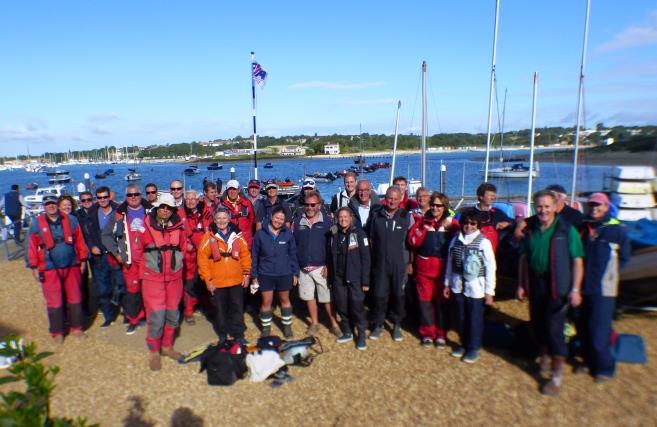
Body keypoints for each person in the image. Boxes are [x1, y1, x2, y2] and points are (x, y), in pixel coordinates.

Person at [517, 189, 584, 396]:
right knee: (537, 323)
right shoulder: (531, 229)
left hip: (557, 284)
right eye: (539, 206)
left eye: (547, 206)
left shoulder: (566, 230)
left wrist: (575, 289)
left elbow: (577, 261)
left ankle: (556, 376)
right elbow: (523, 259)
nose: (543, 210)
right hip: (536, 283)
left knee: (555, 329)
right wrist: (521, 284)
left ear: (555, 207)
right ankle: (544, 357)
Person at [579, 192, 631, 382]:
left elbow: (624, 257)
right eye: (592, 204)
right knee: (583, 326)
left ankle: (605, 368)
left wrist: (612, 277)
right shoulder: (584, 227)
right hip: (583, 285)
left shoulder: (617, 230)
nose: (594, 208)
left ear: (607, 207)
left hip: (604, 289)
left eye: (598, 205)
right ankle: (587, 361)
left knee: (599, 330)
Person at [27, 195, 89, 343]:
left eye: (53, 203)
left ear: (57, 205)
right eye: (47, 204)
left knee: (75, 298)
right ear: (44, 206)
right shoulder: (36, 224)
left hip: (72, 263)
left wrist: (83, 260)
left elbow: (80, 241)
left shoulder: (71, 220)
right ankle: (57, 332)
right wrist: (34, 266)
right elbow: (31, 246)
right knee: (54, 301)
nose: (51, 206)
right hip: (48, 267)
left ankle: (77, 328)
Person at [138, 193, 187, 371]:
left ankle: (167, 347)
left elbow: (182, 248)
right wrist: (142, 275)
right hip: (153, 279)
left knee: (173, 315)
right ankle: (154, 352)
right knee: (156, 317)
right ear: (157, 208)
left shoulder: (179, 228)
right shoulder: (145, 227)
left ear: (173, 210)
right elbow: (137, 253)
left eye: (169, 207)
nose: (165, 210)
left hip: (174, 278)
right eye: (162, 207)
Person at [443, 208, 496, 363]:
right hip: (457, 285)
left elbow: (490, 267)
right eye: (466, 223)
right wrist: (446, 284)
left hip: (476, 289)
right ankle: (462, 343)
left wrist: (489, 292)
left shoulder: (483, 242)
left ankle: (473, 347)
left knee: (474, 319)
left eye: (473, 223)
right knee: (460, 317)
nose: (469, 226)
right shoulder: (455, 240)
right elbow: (449, 264)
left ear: (477, 224)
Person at [408, 192, 458, 347]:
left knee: (442, 303)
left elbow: (464, 235)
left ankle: (441, 333)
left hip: (443, 270)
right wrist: (424, 227)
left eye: (439, 205)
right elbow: (413, 241)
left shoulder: (452, 224)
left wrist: (451, 226)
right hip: (424, 269)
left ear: (444, 207)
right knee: (425, 302)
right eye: (433, 205)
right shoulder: (422, 221)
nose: (435, 208)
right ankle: (427, 333)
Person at [197, 208, 251, 344]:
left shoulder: (237, 236)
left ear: (229, 219)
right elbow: (202, 260)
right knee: (220, 310)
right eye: (218, 218)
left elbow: (245, 255)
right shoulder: (208, 237)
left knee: (237, 309)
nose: (221, 221)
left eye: (224, 218)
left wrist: (246, 273)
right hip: (217, 282)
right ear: (214, 220)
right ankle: (223, 334)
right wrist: (207, 280)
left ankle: (238, 334)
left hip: (236, 280)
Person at [102, 184, 151, 334]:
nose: (134, 197)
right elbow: (106, 236)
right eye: (130, 195)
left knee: (149, 290)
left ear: (140, 194)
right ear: (126, 197)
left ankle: (149, 318)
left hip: (149, 259)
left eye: (136, 194)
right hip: (129, 260)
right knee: (133, 291)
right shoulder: (118, 215)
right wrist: (117, 254)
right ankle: (134, 320)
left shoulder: (151, 211)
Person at [292, 190, 340, 336]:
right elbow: (293, 245)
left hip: (321, 267)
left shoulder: (328, 222)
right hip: (303, 267)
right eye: (307, 205)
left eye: (313, 205)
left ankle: (334, 323)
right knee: (308, 296)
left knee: (327, 297)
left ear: (319, 205)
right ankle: (314, 322)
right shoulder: (297, 222)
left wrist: (328, 265)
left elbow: (334, 245)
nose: (310, 207)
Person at [368, 186, 413, 341]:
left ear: (400, 199)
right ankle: (379, 325)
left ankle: (397, 325)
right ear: (385, 198)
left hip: (399, 263)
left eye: (395, 198)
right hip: (380, 263)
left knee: (398, 295)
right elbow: (371, 239)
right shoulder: (376, 216)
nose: (392, 201)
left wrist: (410, 262)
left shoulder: (406, 216)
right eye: (389, 198)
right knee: (379, 295)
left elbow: (412, 243)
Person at [251, 207, 300, 338]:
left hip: (284, 273)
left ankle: (287, 326)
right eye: (277, 217)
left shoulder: (288, 234)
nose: (279, 221)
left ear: (285, 221)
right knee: (266, 302)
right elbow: (254, 256)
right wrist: (254, 275)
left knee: (285, 299)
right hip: (265, 273)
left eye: (282, 219)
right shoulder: (260, 234)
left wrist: (295, 273)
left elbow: (293, 254)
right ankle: (266, 328)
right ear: (271, 216)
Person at [328, 207, 371, 350]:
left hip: (355, 278)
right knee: (341, 305)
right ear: (336, 218)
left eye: (346, 216)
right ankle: (347, 331)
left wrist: (365, 281)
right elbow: (330, 257)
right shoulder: (334, 233)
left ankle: (361, 336)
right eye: (340, 217)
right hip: (338, 277)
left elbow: (366, 259)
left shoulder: (359, 233)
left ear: (351, 217)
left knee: (357, 307)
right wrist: (330, 279)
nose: (343, 219)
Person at [85, 186, 125, 327]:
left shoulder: (119, 211)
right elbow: (88, 235)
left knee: (121, 285)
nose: (102, 200)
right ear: (97, 198)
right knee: (103, 288)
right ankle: (109, 317)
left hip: (115, 254)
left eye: (105, 197)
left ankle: (120, 307)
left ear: (109, 197)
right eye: (99, 197)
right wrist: (92, 247)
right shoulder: (92, 213)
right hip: (99, 257)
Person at [514, 184, 586, 241]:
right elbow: (527, 221)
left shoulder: (574, 215)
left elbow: (584, 230)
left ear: (562, 198)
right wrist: (518, 229)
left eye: (552, 196)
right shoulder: (547, 214)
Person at [178, 189, 207, 324]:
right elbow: (177, 235)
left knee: (205, 281)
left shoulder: (204, 213)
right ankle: (188, 312)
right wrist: (186, 245)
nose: (190, 201)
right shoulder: (180, 214)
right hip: (189, 255)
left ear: (197, 200)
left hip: (203, 254)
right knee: (189, 284)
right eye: (187, 199)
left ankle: (206, 307)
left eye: (192, 199)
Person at [467, 182, 513, 253]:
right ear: (480, 197)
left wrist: (508, 223)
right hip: (474, 252)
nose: (493, 198)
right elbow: (452, 212)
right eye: (490, 195)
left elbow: (514, 222)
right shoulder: (470, 212)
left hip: (494, 253)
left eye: (494, 195)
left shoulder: (497, 212)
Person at [220, 180, 256, 248]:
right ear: (227, 191)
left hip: (246, 242)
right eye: (230, 189)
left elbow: (252, 220)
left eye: (234, 189)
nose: (232, 192)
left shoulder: (247, 203)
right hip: (229, 243)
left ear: (239, 190)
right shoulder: (222, 205)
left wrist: (247, 232)